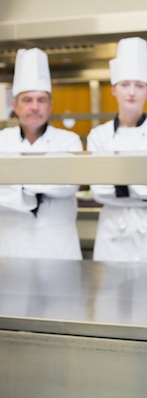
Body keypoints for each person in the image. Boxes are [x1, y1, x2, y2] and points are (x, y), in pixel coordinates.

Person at [87, 37, 147, 263]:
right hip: (112, 230)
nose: (132, 92)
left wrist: (118, 184)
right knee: (109, 293)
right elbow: (98, 190)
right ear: (114, 90)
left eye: (139, 86)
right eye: (125, 84)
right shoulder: (99, 136)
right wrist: (144, 183)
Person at [0, 47, 83, 260]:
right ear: (15, 106)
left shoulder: (69, 140)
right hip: (11, 246)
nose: (35, 107)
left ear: (50, 105)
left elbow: (68, 185)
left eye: (41, 100)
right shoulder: (2, 140)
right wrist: (44, 183)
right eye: (27, 100)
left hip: (59, 246)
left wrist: (16, 185)